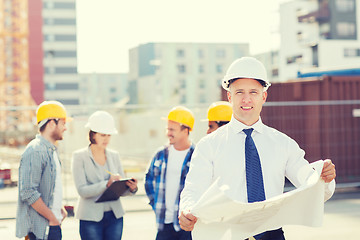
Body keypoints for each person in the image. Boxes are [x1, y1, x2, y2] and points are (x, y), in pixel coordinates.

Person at [179, 57, 336, 239]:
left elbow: (308, 180)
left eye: (253, 92)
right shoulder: (209, 146)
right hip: (226, 233)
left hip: (272, 233)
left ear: (264, 96)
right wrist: (187, 209)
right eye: (239, 92)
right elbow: (193, 187)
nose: (246, 99)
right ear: (229, 96)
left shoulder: (282, 144)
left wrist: (323, 178)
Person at [72, 111, 138, 240]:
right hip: (90, 217)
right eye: (103, 135)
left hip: (115, 216)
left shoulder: (114, 155)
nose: (106, 139)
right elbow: (82, 190)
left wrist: (131, 188)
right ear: (92, 134)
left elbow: (120, 191)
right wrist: (106, 184)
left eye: (109, 135)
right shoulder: (79, 157)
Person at [16, 101, 70, 240]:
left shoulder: (50, 150)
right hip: (41, 230)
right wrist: (52, 218)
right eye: (63, 123)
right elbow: (28, 191)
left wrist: (59, 208)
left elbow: (49, 186)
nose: (66, 128)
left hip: (51, 225)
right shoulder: (36, 151)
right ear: (52, 123)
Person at [145, 106, 196, 240]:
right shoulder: (160, 154)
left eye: (172, 129)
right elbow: (148, 180)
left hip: (188, 226)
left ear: (185, 130)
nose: (168, 133)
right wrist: (155, 203)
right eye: (167, 129)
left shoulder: (197, 156)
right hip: (164, 225)